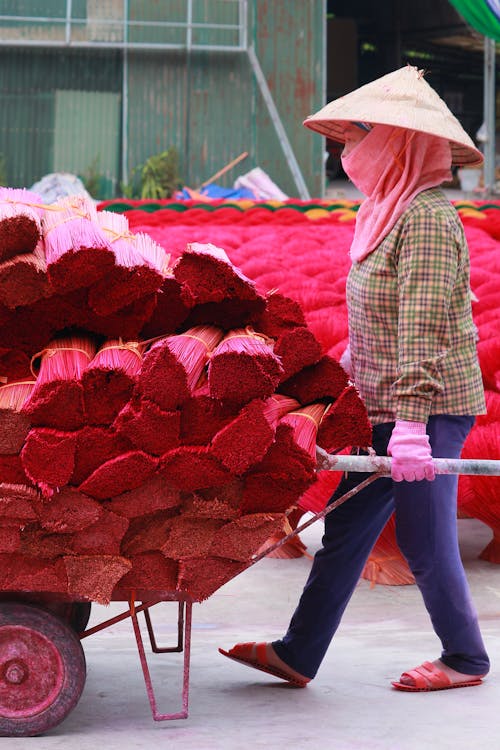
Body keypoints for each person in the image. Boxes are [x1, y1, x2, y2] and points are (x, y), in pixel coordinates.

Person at [219, 65, 490, 692]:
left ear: (397, 142)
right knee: (345, 528)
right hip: (382, 401)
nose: (347, 149)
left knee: (423, 538)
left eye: (360, 134)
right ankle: (298, 652)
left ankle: (466, 659)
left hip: (427, 408)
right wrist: (343, 373)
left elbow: (421, 326)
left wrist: (415, 428)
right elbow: (380, 316)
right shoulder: (382, 211)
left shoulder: (424, 219)